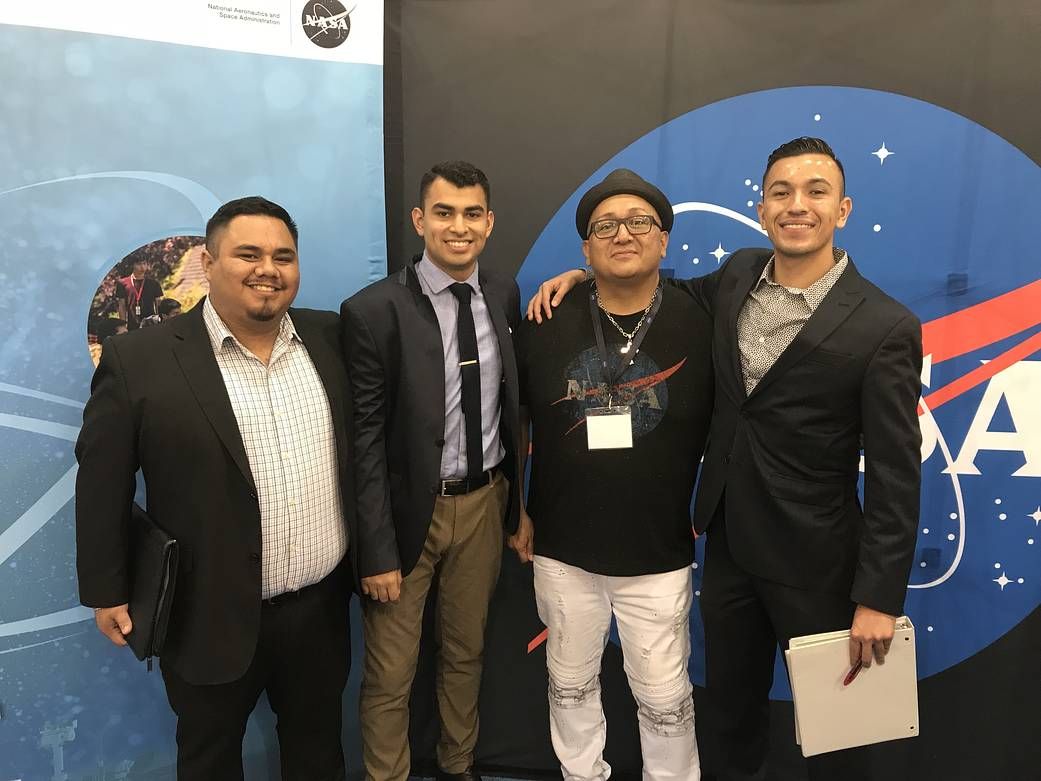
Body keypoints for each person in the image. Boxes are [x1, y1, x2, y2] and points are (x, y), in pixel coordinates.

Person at [528, 137, 923, 781]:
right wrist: (583, 277)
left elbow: (894, 476)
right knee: (731, 721)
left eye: (815, 192)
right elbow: (651, 286)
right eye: (781, 193)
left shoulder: (884, 325)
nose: (797, 206)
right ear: (762, 209)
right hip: (731, 550)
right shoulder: (737, 275)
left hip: (819, 561)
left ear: (843, 209)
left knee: (842, 735)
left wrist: (878, 598)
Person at [76, 196, 356, 781]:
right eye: (247, 254)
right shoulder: (140, 358)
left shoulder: (333, 340)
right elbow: (102, 478)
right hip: (204, 614)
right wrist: (107, 588)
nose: (268, 269)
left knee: (319, 755)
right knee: (208, 759)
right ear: (207, 262)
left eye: (284, 256)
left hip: (317, 611)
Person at [515, 169, 712, 780]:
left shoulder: (704, 315)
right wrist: (516, 512)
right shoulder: (545, 318)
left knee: (664, 697)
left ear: (664, 238)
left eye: (638, 223)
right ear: (585, 248)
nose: (622, 234)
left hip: (656, 552)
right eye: (605, 226)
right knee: (569, 685)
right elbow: (514, 426)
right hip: (562, 548)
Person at [341, 160, 522, 781]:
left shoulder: (503, 294)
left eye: (472, 213)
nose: (459, 226)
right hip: (405, 515)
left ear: (490, 222)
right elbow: (363, 439)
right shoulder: (373, 311)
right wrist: (376, 550)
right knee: (391, 672)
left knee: (466, 654)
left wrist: (517, 509)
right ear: (419, 220)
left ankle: (458, 766)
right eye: (443, 212)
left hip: (483, 505)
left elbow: (513, 410)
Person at [115, 258, 163, 329]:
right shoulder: (122, 284)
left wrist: (160, 322)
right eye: (139, 264)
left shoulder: (153, 283)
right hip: (132, 325)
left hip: (151, 324)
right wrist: (123, 326)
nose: (142, 267)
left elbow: (158, 304)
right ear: (133, 265)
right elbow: (122, 306)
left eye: (144, 263)